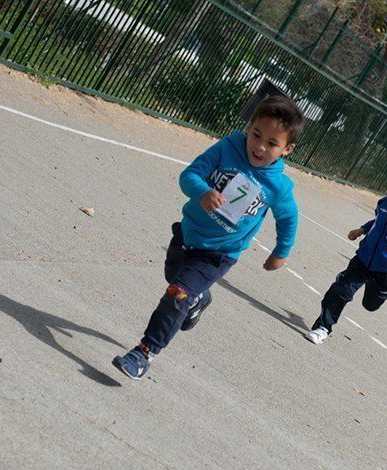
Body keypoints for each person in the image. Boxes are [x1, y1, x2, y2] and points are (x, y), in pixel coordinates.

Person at [112, 96, 304, 379]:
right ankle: (199, 298)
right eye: (256, 134)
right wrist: (202, 192)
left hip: (219, 254)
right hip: (188, 234)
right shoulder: (227, 148)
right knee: (174, 280)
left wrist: (281, 251)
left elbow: (288, 218)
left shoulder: (278, 186)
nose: (260, 146)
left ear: (287, 149)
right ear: (249, 127)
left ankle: (144, 353)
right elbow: (190, 175)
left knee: (177, 294)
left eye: (272, 143)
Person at [305, 164, 387, 344]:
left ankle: (385, 289)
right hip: (362, 260)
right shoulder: (385, 203)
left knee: (370, 305)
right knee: (340, 291)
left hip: (384, 270)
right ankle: (323, 328)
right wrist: (362, 229)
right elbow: (378, 222)